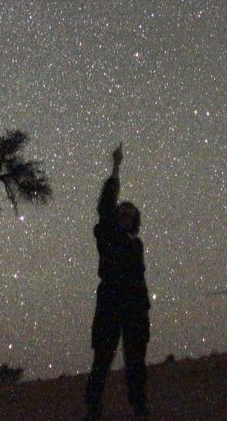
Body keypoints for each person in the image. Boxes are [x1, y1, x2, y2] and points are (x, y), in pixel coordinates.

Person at [84, 143, 150, 419]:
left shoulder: (136, 244)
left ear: (134, 221)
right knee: (102, 358)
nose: (124, 216)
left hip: (134, 303)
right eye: (121, 213)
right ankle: (93, 409)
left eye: (129, 214)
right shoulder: (107, 235)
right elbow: (105, 204)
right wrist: (116, 166)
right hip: (110, 301)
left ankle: (139, 407)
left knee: (135, 360)